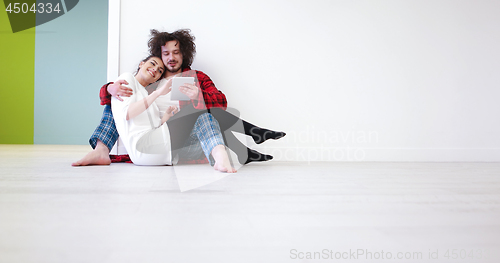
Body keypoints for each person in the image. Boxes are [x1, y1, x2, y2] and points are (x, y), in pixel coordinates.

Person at [72, 29, 285, 167]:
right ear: (158, 56)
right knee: (118, 96)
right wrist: (110, 88)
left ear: (184, 54)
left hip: (187, 139)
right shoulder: (149, 79)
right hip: (156, 140)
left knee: (200, 111)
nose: (171, 58)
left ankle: (243, 148)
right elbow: (122, 98)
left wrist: (199, 96)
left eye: (176, 52)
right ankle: (101, 149)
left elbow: (221, 102)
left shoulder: (196, 77)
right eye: (165, 54)